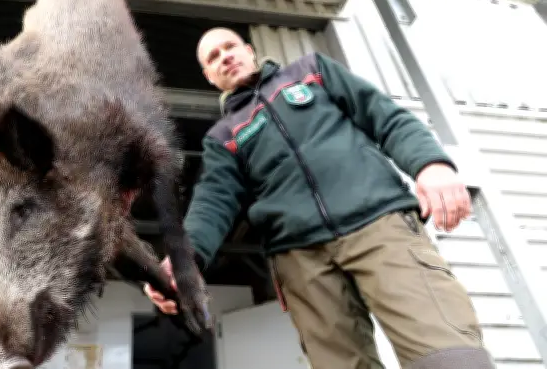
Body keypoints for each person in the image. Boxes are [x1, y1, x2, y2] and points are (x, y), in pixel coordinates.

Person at [143, 27, 495, 368]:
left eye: (229, 47)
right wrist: (183, 260)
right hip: (299, 258)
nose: (225, 57)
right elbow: (213, 201)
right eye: (213, 57)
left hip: (378, 224)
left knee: (447, 355)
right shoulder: (222, 137)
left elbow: (384, 116)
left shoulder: (312, 71)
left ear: (249, 51)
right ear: (208, 76)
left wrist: (430, 164)